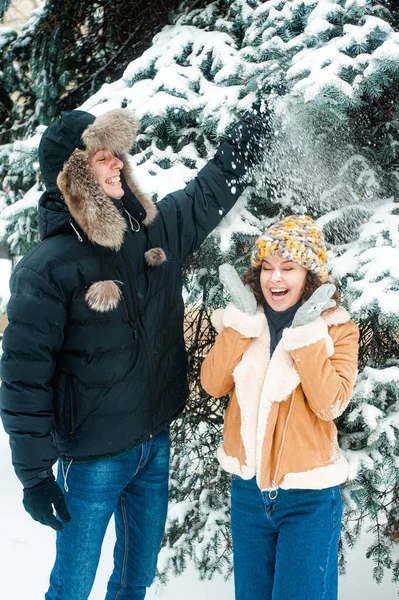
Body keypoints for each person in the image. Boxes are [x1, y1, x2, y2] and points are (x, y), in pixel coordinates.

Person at [0, 107, 264, 600]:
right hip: (92, 457)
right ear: (75, 176)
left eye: (117, 154)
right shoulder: (46, 269)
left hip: (153, 441)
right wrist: (35, 475)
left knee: (134, 578)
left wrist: (253, 127)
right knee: (72, 586)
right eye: (103, 158)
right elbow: (23, 379)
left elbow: (208, 192)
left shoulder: (152, 231)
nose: (118, 164)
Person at [200, 215, 359, 600]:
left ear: (310, 275)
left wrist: (305, 334)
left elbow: (330, 404)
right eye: (268, 268)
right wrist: (239, 327)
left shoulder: (337, 329)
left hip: (308, 500)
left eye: (288, 268)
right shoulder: (245, 320)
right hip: (249, 496)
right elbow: (212, 383)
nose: (276, 279)